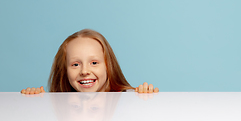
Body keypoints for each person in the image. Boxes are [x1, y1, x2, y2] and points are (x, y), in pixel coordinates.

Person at [21, 29, 158, 94]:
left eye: (94, 63)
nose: (85, 71)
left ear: (108, 66)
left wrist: (146, 98)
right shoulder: (56, 106)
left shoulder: (129, 99)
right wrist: (36, 102)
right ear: (64, 71)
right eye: (75, 64)